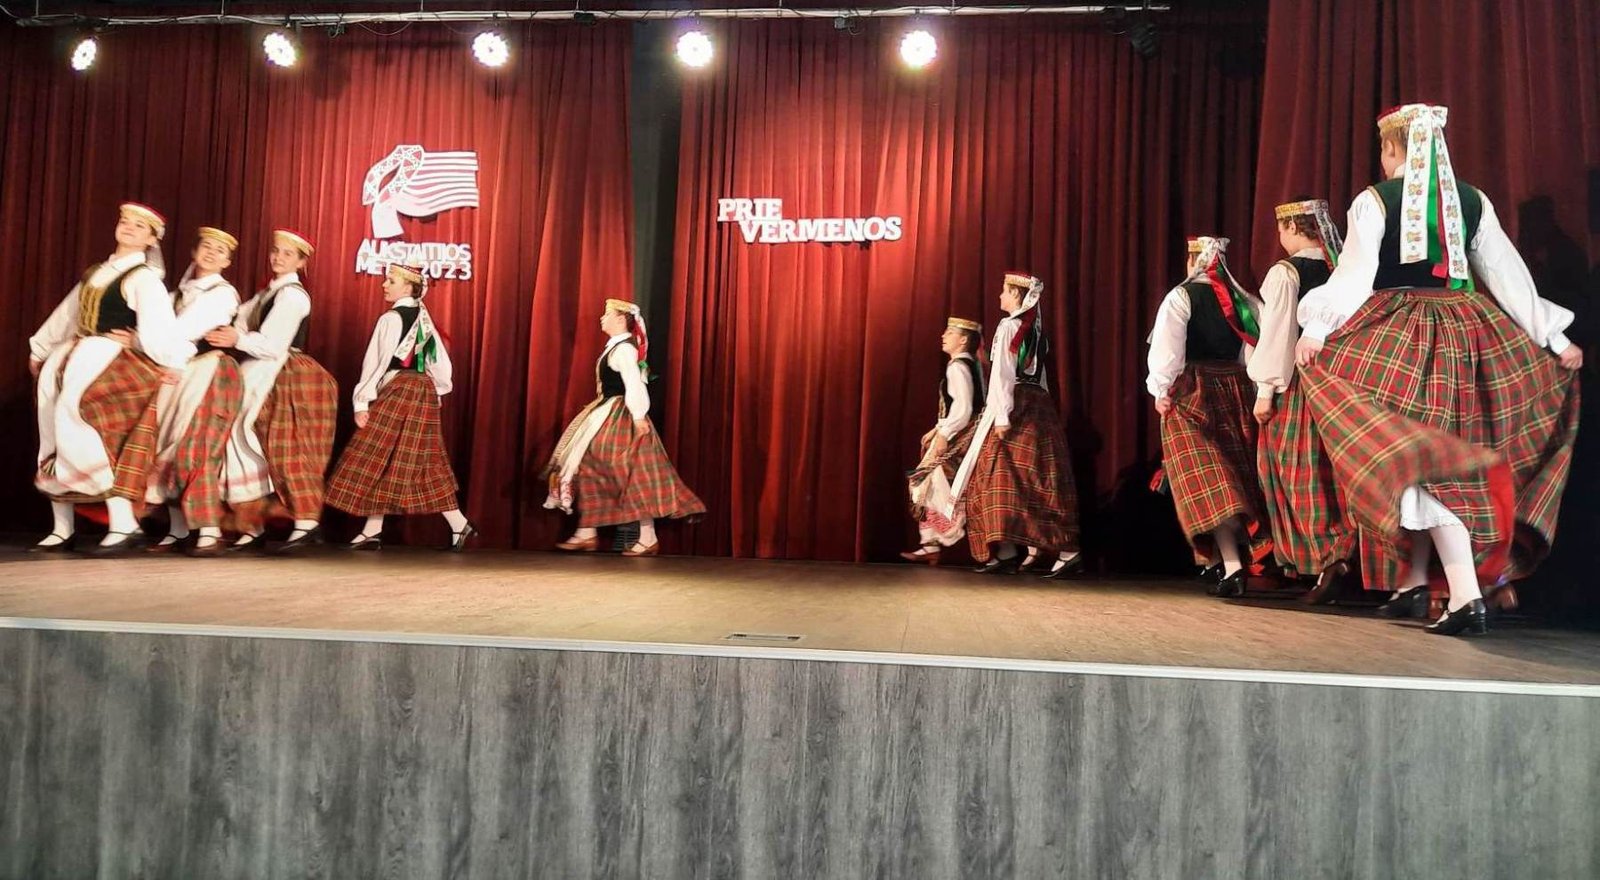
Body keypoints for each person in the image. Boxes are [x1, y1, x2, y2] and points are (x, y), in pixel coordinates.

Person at [1295, 103, 1583, 635]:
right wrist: (1554, 336)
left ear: (1391, 148)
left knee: (1414, 458)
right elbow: (1506, 273)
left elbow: (1356, 274)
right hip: (1467, 333)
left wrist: (1317, 328)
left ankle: (1466, 595)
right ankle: (1413, 583)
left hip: (1399, 332)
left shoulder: (1375, 199)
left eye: (1384, 151)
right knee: (1426, 453)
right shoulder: (1472, 199)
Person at [29, 202, 191, 554]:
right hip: (73, 354)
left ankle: (123, 523)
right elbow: (68, 313)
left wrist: (169, 358)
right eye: (125, 221)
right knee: (51, 430)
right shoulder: (96, 272)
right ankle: (62, 528)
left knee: (83, 426)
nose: (129, 227)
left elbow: (160, 327)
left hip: (106, 357)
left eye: (139, 226)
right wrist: (41, 348)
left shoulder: (143, 278)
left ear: (152, 239)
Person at [1146, 236, 1270, 597]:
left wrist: (1160, 389)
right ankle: (1218, 562)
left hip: (1193, 391)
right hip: (1236, 390)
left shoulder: (1180, 297)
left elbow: (1167, 350)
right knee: (1226, 475)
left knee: (1210, 482)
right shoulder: (1246, 301)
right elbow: (1253, 351)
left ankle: (1231, 566)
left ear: (1192, 261)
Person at [325, 263, 474, 550]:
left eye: (390, 280)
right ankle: (453, 524)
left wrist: (362, 401)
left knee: (376, 453)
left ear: (408, 287)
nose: (384, 284)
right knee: (413, 460)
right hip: (423, 390)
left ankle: (378, 529)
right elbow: (440, 364)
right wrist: (437, 390)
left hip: (400, 389)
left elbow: (376, 362)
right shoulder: (424, 319)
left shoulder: (391, 319)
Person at [1251, 199, 1357, 602]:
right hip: (1344, 381)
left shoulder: (1286, 273)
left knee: (1300, 472)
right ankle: (1341, 557)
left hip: (1300, 382)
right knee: (1336, 472)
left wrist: (1265, 391)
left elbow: (1278, 333)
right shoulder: (1342, 268)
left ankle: (1329, 560)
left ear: (1294, 227)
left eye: (1282, 228)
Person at [542, 298, 704, 555]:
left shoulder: (624, 350)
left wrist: (638, 416)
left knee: (631, 474)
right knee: (593, 466)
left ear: (620, 319)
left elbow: (634, 382)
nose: (601, 318)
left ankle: (644, 536)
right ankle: (587, 531)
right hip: (608, 411)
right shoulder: (617, 347)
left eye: (606, 314)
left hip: (622, 414)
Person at [947, 272, 1082, 579]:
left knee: (999, 477)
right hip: (1038, 403)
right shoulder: (1035, 330)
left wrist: (1002, 416)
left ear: (1017, 296)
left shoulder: (1010, 326)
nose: (1000, 296)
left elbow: (1003, 374)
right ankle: (1012, 551)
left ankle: (1061, 549)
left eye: (1005, 292)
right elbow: (1040, 377)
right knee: (1031, 477)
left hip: (1016, 403)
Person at [213, 229, 338, 553]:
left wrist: (237, 339)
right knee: (241, 443)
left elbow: (273, 344)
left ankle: (307, 522)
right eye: (276, 251)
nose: (278, 257)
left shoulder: (293, 295)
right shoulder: (266, 294)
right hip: (256, 371)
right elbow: (238, 321)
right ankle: (251, 522)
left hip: (285, 374)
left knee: (286, 445)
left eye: (287, 254)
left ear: (301, 262)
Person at [147, 226, 244, 556]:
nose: (212, 253)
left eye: (220, 250)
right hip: (179, 371)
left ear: (227, 261)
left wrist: (161, 351)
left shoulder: (222, 293)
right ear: (194, 251)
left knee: (197, 448)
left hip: (208, 370)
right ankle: (178, 529)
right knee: (170, 446)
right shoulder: (178, 293)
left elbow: (183, 331)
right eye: (207, 246)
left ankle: (210, 529)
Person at [901, 317, 986, 565]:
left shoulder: (957, 367)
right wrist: (937, 428)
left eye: (950, 333)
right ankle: (930, 544)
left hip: (961, 434)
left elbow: (963, 408)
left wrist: (944, 434)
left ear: (963, 340)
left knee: (927, 483)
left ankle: (941, 536)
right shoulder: (970, 365)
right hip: (965, 430)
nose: (943, 336)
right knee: (927, 484)